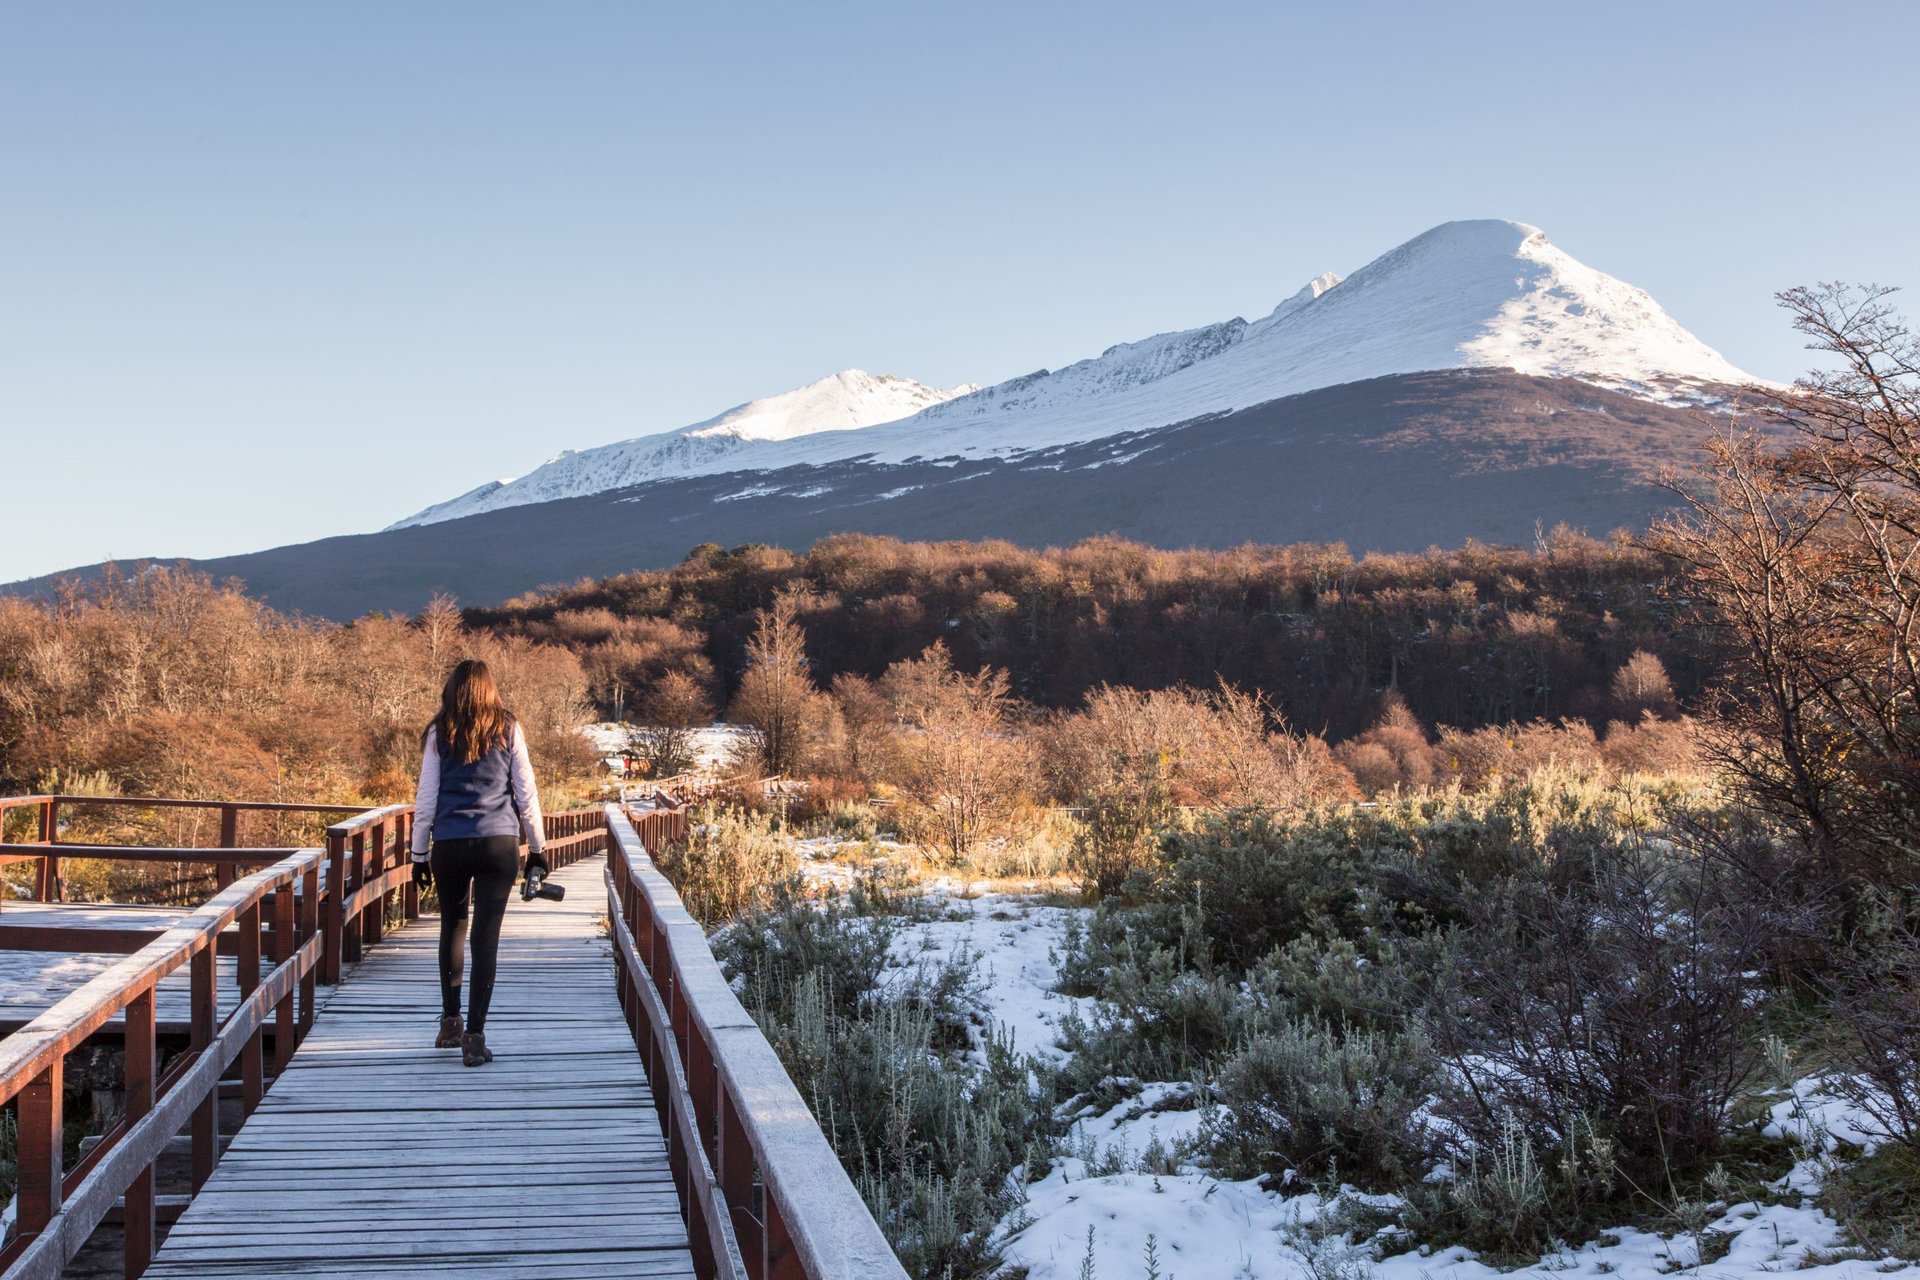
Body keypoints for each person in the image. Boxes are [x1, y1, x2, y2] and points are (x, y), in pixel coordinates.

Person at [409, 658, 548, 1067]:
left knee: (452, 927)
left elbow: (426, 799)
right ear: (490, 689)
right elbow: (526, 792)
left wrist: (419, 853)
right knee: (485, 938)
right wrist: (537, 848)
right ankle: (475, 1036)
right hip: (498, 844)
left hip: (449, 843)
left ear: (452, 689)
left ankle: (450, 1021)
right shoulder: (508, 727)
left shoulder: (440, 731)